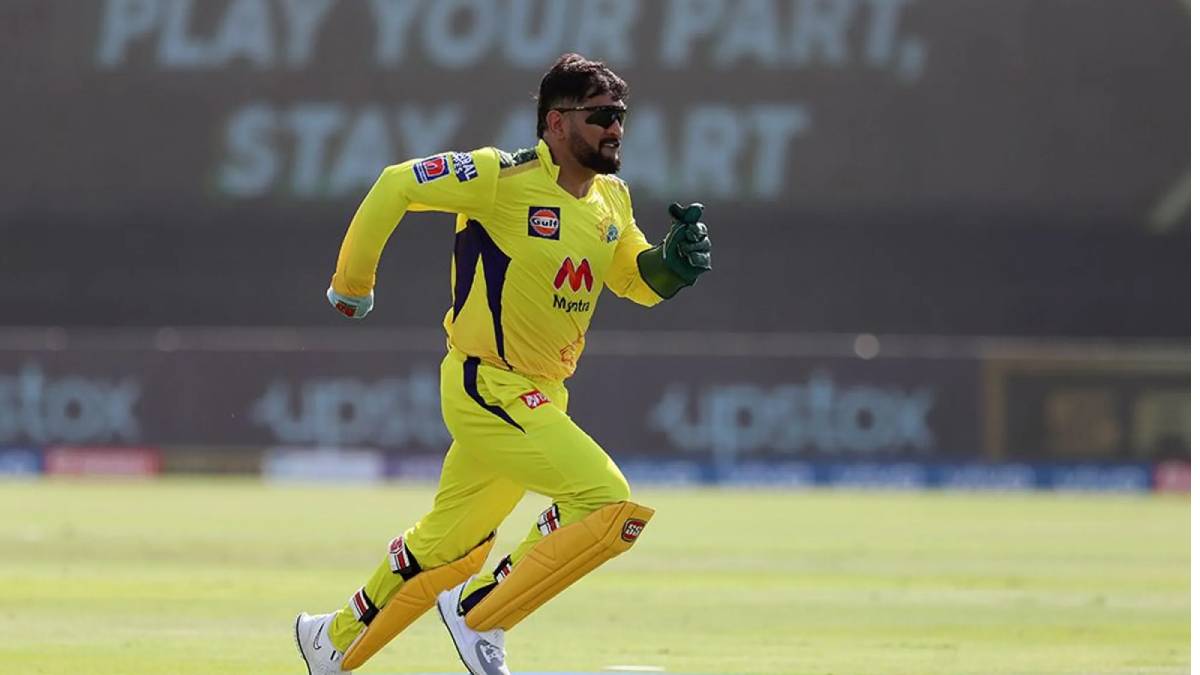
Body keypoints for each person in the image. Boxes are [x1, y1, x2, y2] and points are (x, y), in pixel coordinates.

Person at [294, 53, 712, 675]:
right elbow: (395, 183)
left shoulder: (613, 200)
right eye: (600, 115)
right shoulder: (500, 177)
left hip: (541, 393)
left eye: (620, 115)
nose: (615, 128)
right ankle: (479, 612)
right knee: (604, 501)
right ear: (556, 122)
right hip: (486, 383)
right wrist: (352, 283)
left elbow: (634, 279)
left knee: (451, 546)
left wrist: (672, 266)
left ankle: (332, 641)